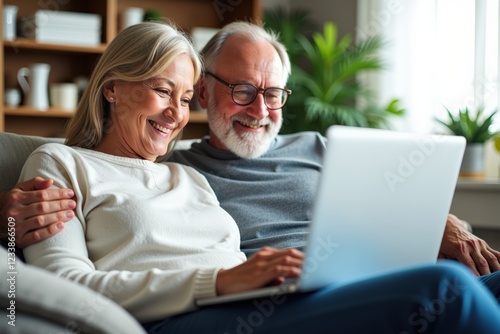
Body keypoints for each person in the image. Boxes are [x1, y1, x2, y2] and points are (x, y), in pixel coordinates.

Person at [11, 20, 500, 334]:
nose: (176, 114)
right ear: (112, 88)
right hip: (199, 315)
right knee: (443, 289)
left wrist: (441, 220)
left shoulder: (184, 176)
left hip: (268, 298)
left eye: (182, 99)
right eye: (164, 91)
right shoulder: (60, 164)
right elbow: (68, 286)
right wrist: (222, 281)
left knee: (482, 283)